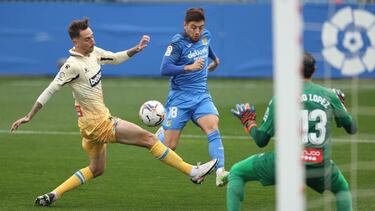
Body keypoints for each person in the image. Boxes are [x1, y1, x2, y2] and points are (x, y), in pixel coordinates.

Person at [10, 17, 218, 207]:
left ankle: (54, 194)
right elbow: (51, 89)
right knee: (148, 138)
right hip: (99, 125)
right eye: (87, 39)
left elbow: (115, 58)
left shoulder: (95, 53)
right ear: (76, 42)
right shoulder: (72, 66)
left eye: (92, 37)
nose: (92, 41)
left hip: (88, 129)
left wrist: (135, 49)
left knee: (96, 169)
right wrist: (29, 115)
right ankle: (193, 171)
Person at [227, 52, 357, 211]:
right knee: (341, 189)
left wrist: (248, 121)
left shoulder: (282, 97)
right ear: (314, 69)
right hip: (319, 164)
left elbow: (261, 141)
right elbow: (352, 128)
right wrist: (341, 107)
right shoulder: (330, 95)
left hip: (286, 163)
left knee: (237, 172)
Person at [155, 7, 228, 187]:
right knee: (169, 146)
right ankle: (161, 134)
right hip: (179, 99)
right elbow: (164, 69)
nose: (197, 32)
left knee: (212, 127)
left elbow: (206, 46)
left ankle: (220, 172)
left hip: (201, 96)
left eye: (201, 27)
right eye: (193, 27)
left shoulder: (205, 35)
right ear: (185, 25)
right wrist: (188, 67)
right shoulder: (177, 43)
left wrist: (215, 60)